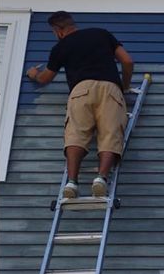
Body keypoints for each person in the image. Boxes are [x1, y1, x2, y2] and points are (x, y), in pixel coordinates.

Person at [26, 11, 134, 200]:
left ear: (58, 31)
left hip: (80, 90)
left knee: (76, 134)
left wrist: (33, 73)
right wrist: (124, 86)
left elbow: (45, 78)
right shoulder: (101, 33)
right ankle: (101, 178)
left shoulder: (60, 47)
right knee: (110, 133)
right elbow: (127, 61)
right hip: (110, 88)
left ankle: (72, 182)